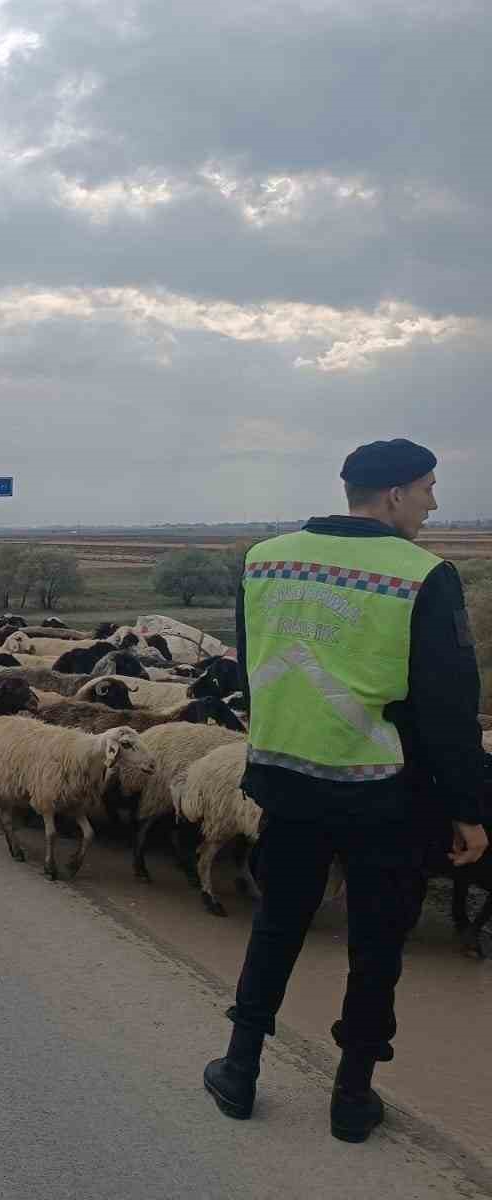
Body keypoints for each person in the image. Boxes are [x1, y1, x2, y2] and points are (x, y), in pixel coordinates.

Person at [204, 439, 486, 1143]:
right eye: (427, 488)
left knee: (277, 925)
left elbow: (252, 661)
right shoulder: (424, 575)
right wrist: (469, 810)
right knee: (376, 943)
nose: (433, 503)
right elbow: (448, 705)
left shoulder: (265, 559)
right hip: (383, 794)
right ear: (391, 495)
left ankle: (238, 1070)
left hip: (289, 779)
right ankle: (352, 1096)